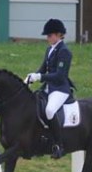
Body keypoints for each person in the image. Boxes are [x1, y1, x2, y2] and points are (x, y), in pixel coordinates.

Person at [24, 19, 75, 159]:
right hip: (48, 88)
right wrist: (30, 78)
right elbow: (42, 69)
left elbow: (60, 75)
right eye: (47, 36)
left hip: (60, 89)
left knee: (50, 110)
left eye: (50, 35)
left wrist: (40, 77)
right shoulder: (49, 50)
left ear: (59, 35)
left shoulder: (65, 52)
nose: (47, 38)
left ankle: (59, 145)